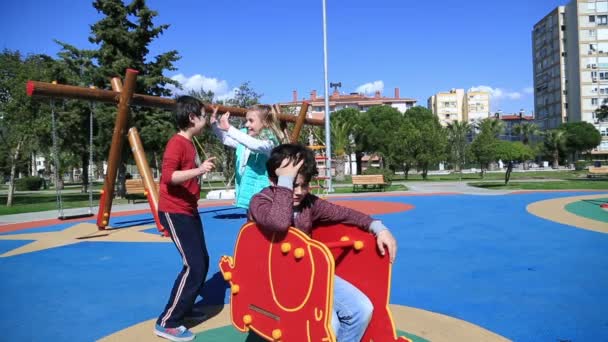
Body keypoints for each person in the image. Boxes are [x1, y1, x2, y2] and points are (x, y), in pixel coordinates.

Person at [248, 143, 398, 341]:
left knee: (362, 309)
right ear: (273, 181)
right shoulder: (260, 202)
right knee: (330, 326)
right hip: (275, 281)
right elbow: (278, 223)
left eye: (304, 184)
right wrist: (285, 180)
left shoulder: (308, 203)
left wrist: (378, 227)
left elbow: (344, 214)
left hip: (309, 272)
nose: (300, 191)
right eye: (293, 184)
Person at [154, 96, 217, 342]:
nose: (204, 121)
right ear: (192, 118)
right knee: (194, 265)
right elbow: (169, 177)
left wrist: (213, 122)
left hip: (188, 209)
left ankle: (185, 308)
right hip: (174, 210)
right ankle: (167, 321)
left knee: (202, 260)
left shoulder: (190, 143)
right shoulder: (177, 143)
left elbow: (185, 175)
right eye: (202, 116)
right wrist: (200, 170)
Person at [211, 104, 285, 209]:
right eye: (246, 120)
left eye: (251, 121)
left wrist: (229, 128)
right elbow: (226, 139)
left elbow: (256, 145)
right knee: (251, 223)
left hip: (264, 196)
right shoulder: (245, 142)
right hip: (249, 193)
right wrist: (214, 124)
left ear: (265, 122)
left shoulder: (270, 142)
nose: (246, 124)